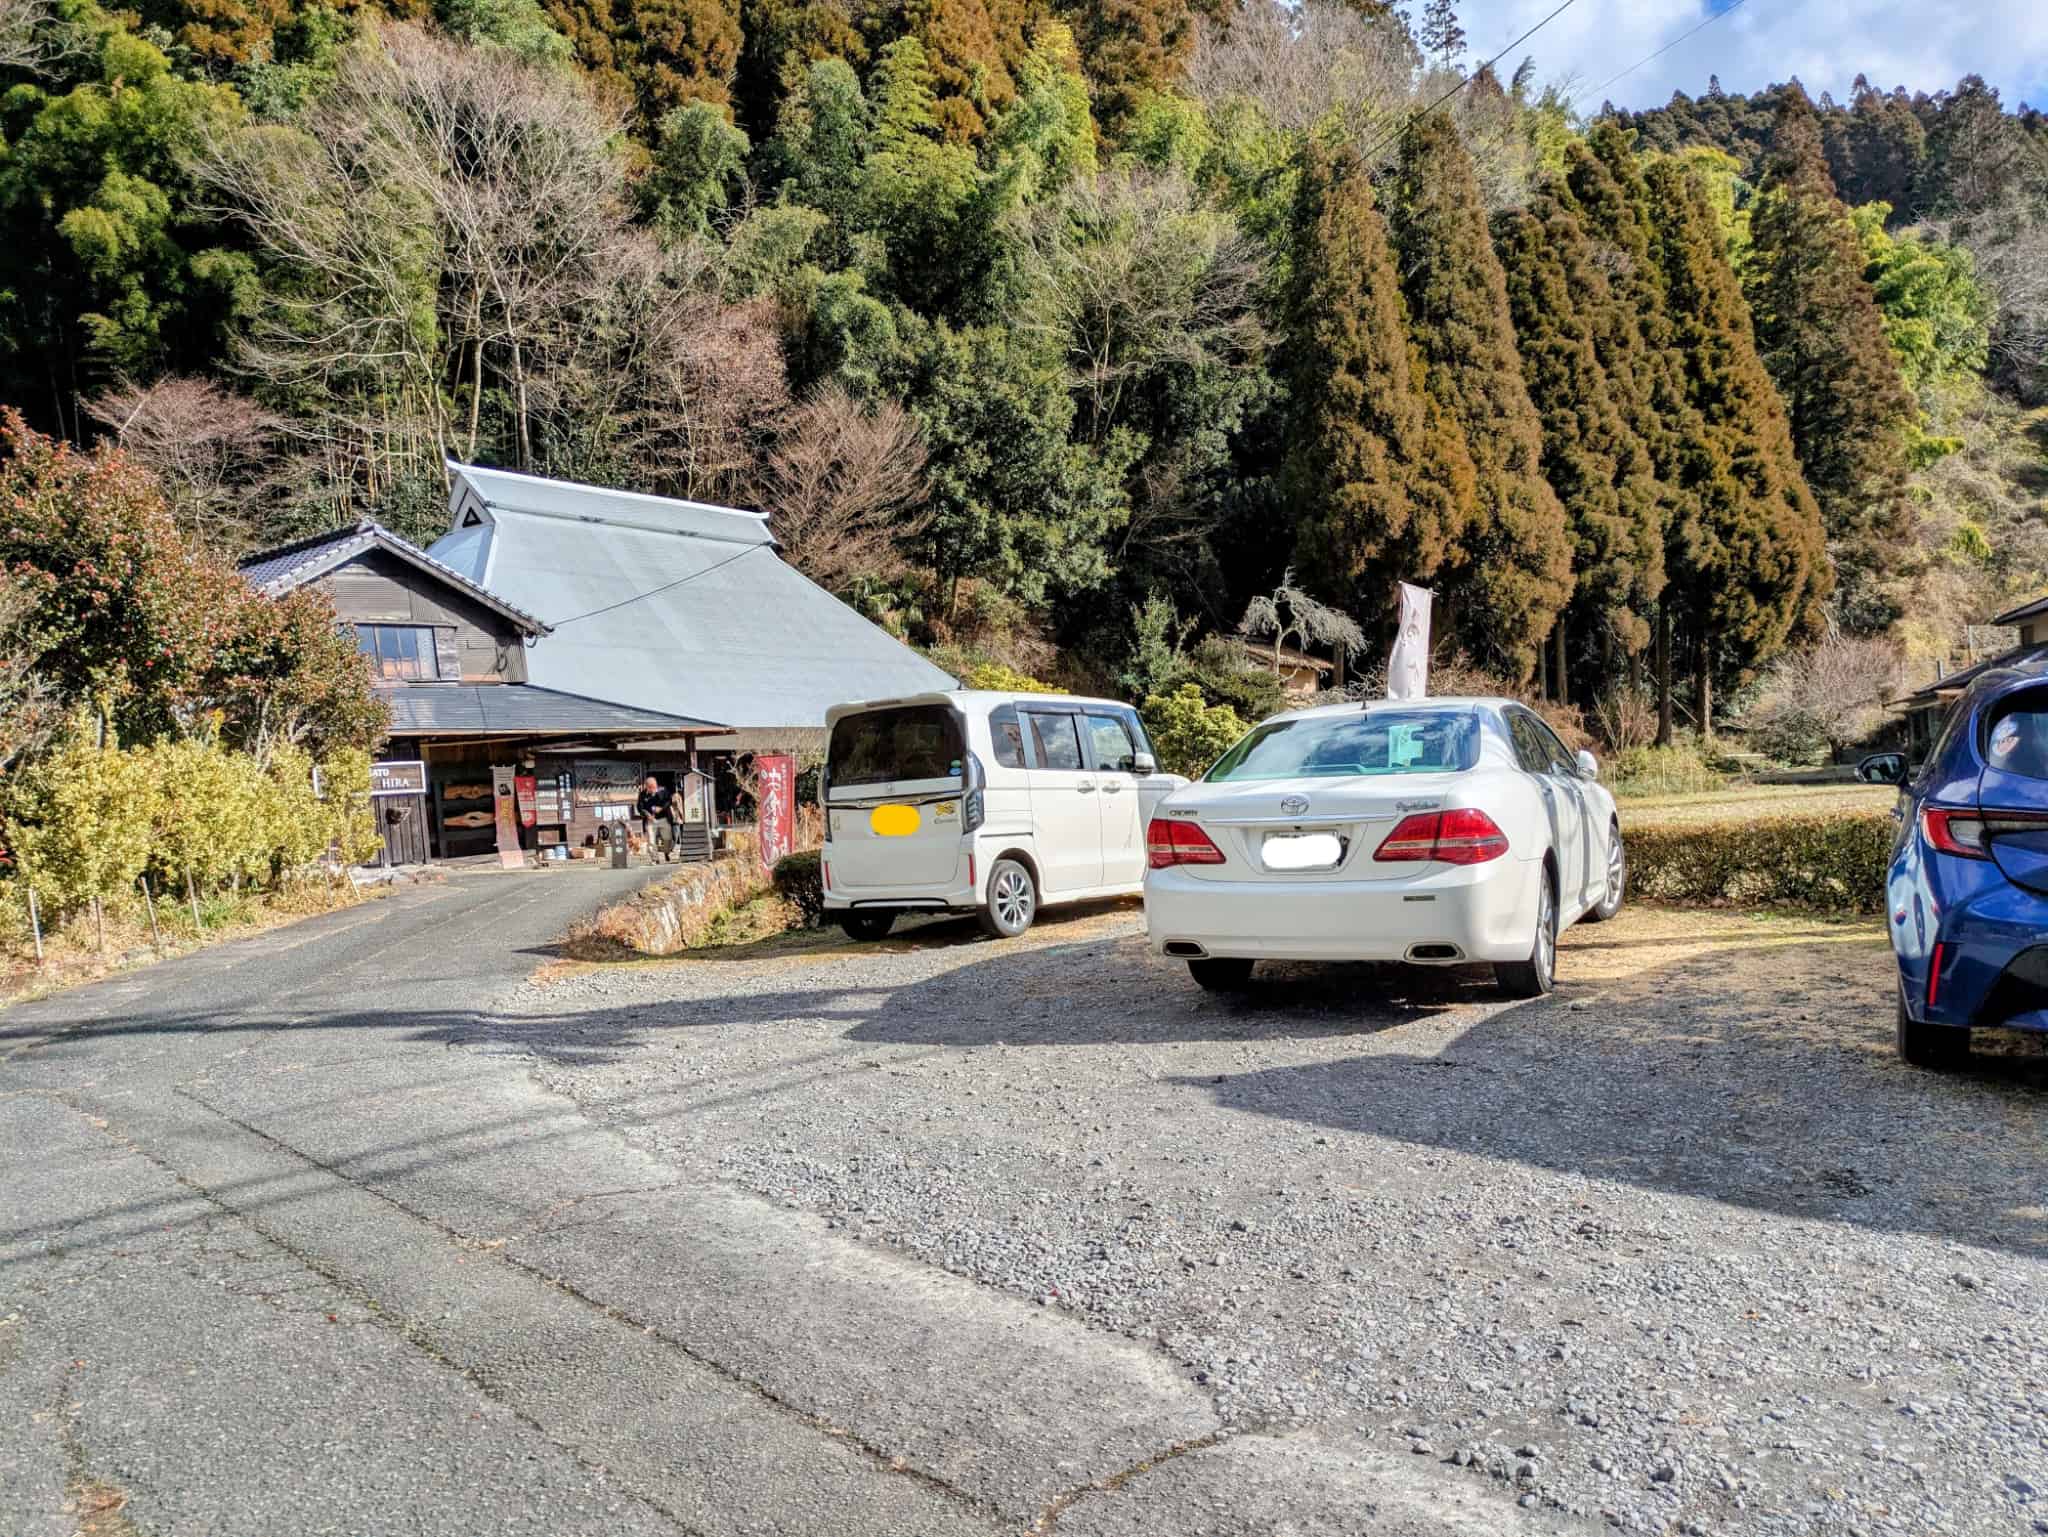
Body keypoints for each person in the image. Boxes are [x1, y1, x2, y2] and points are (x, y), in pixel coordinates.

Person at [634, 774, 677, 863]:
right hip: (651, 821)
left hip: (663, 818)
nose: (652, 789)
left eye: (654, 786)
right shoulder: (642, 794)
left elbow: (669, 801)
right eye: (650, 787)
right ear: (647, 787)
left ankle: (666, 852)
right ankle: (655, 859)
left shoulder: (663, 790)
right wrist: (646, 814)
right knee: (651, 841)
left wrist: (661, 808)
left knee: (667, 839)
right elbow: (640, 807)